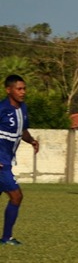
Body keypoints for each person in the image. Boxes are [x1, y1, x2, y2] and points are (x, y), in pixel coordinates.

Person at [0, 75, 40, 246]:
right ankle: (7, 237)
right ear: (9, 90)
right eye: (19, 89)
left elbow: (22, 130)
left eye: (24, 88)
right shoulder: (2, 109)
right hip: (1, 163)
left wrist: (31, 141)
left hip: (7, 160)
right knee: (16, 196)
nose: (23, 92)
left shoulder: (23, 108)